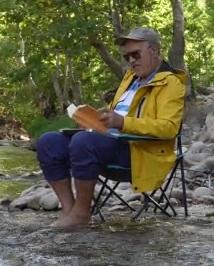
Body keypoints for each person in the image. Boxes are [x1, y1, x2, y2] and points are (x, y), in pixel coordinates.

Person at [35, 27, 187, 228]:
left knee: (83, 142)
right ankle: (70, 211)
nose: (131, 60)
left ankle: (81, 213)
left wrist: (122, 122)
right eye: (127, 57)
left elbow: (169, 128)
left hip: (140, 153)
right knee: (48, 142)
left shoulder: (172, 83)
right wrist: (97, 118)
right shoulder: (129, 79)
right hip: (109, 145)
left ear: (155, 51)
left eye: (136, 54)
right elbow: (118, 112)